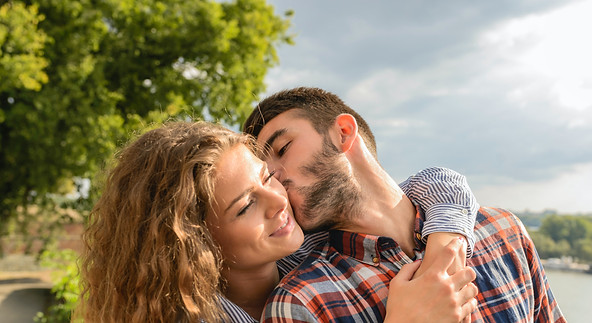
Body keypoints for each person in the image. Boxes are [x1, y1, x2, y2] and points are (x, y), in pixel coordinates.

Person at [78, 121, 478, 322]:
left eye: (267, 177)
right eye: (244, 206)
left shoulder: (308, 248)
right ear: (194, 243)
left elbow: (436, 184)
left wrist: (444, 256)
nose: (278, 201)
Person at [243, 86, 566, 322]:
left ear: (343, 132)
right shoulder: (301, 303)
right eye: (264, 172)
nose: (273, 175)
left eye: (283, 148)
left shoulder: (504, 232)